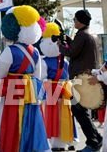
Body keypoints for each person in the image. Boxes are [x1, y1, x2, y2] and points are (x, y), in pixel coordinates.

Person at [0, 5, 49, 152]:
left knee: (11, 120)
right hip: (31, 92)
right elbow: (38, 75)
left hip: (13, 90)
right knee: (31, 119)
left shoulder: (9, 51)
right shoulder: (35, 51)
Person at [61, 9, 102, 152]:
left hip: (80, 79)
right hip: (88, 78)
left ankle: (93, 142)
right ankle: (96, 139)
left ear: (80, 21)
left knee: (79, 110)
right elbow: (78, 49)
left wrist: (59, 45)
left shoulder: (82, 35)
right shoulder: (91, 34)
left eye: (75, 20)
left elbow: (71, 52)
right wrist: (68, 40)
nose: (74, 22)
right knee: (81, 109)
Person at [37, 23, 74, 151]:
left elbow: (42, 77)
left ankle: (56, 143)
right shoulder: (66, 61)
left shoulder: (44, 61)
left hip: (51, 91)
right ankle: (69, 140)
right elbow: (69, 76)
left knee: (53, 117)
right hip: (65, 91)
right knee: (66, 116)